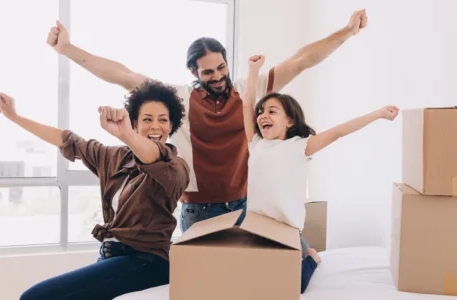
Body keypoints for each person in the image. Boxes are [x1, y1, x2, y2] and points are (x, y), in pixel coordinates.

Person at [45, 9, 369, 234]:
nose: (217, 77)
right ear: (194, 73)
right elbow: (123, 75)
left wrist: (348, 32)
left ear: (227, 63)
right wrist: (68, 48)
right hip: (198, 212)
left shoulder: (247, 91)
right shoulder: (180, 99)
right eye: (208, 72)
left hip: (245, 205)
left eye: (221, 68)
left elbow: (300, 61)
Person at [0, 80, 190, 300]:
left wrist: (126, 135)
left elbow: (154, 156)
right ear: (135, 123)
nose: (156, 126)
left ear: (171, 126)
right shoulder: (115, 158)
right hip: (111, 256)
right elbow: (68, 140)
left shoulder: (176, 167)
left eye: (163, 120)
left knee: (35, 297)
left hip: (147, 261)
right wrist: (14, 117)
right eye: (147, 119)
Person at [243, 54, 399, 293]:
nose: (263, 115)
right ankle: (307, 249)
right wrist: (253, 71)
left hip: (286, 228)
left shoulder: (299, 146)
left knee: (294, 286)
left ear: (289, 121)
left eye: (272, 111)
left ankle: (311, 257)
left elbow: (338, 132)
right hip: (259, 226)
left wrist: (378, 113)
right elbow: (246, 105)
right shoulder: (255, 143)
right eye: (261, 111)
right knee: (251, 280)